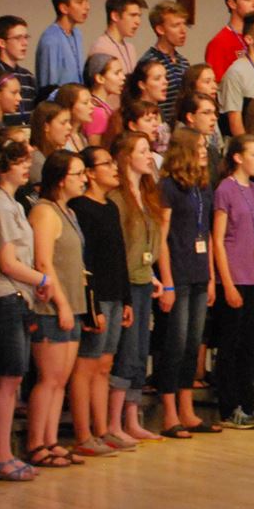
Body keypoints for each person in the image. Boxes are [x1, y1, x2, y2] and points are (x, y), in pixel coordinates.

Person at [67, 143, 130, 455]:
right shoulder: (81, 207)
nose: (114, 168)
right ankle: (83, 434)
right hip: (97, 296)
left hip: (116, 294)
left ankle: (102, 429)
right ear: (90, 173)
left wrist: (127, 299)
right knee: (87, 364)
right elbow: (85, 262)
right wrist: (92, 305)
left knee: (104, 364)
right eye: (107, 163)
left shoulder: (111, 207)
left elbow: (119, 256)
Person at [26, 151, 87, 466]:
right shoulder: (45, 212)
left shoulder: (69, 212)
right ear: (61, 179)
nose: (84, 179)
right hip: (50, 307)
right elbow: (43, 262)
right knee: (49, 378)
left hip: (73, 303)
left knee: (61, 379)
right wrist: (61, 303)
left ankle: (51, 440)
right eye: (78, 174)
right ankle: (36, 443)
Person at [210, 136, 254, 428]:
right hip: (234, 276)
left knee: (251, 343)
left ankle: (249, 404)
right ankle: (229, 406)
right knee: (231, 344)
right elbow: (218, 239)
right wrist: (227, 283)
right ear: (237, 157)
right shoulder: (225, 189)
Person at [154, 129, 214, 437]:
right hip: (177, 273)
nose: (204, 151)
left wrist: (211, 276)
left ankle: (187, 409)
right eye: (199, 146)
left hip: (200, 272)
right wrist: (166, 281)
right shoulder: (168, 187)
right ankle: (169, 413)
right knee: (175, 344)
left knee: (193, 344)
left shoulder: (203, 185)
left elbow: (208, 233)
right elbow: (161, 237)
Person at [106, 132, 165, 442]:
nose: (149, 156)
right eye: (142, 151)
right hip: (125, 283)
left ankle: (132, 417)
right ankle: (113, 422)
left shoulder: (147, 194)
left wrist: (153, 274)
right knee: (126, 352)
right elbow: (119, 248)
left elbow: (148, 243)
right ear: (126, 157)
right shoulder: (117, 198)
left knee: (140, 351)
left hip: (143, 279)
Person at [0, 141, 45, 479]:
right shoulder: (1, 205)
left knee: (12, 378)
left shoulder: (12, 203)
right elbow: (7, 262)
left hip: (19, 295)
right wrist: (42, 278)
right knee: (8, 378)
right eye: (18, 161)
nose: (26, 167)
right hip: (6, 296)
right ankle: (2, 454)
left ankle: (5, 452)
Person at [37, 0, 91, 95]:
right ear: (64, 8)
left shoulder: (77, 34)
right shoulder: (51, 39)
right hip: (60, 103)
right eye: (80, 2)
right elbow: (48, 87)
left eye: (86, 1)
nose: (87, 7)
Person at [91, 0, 146, 74]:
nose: (138, 21)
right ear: (115, 16)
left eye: (139, 16)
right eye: (133, 15)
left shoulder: (130, 48)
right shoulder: (101, 48)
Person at [0, 16, 38, 126]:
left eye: (26, 37)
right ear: (2, 43)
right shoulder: (0, 74)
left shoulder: (28, 76)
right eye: (18, 38)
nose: (25, 43)